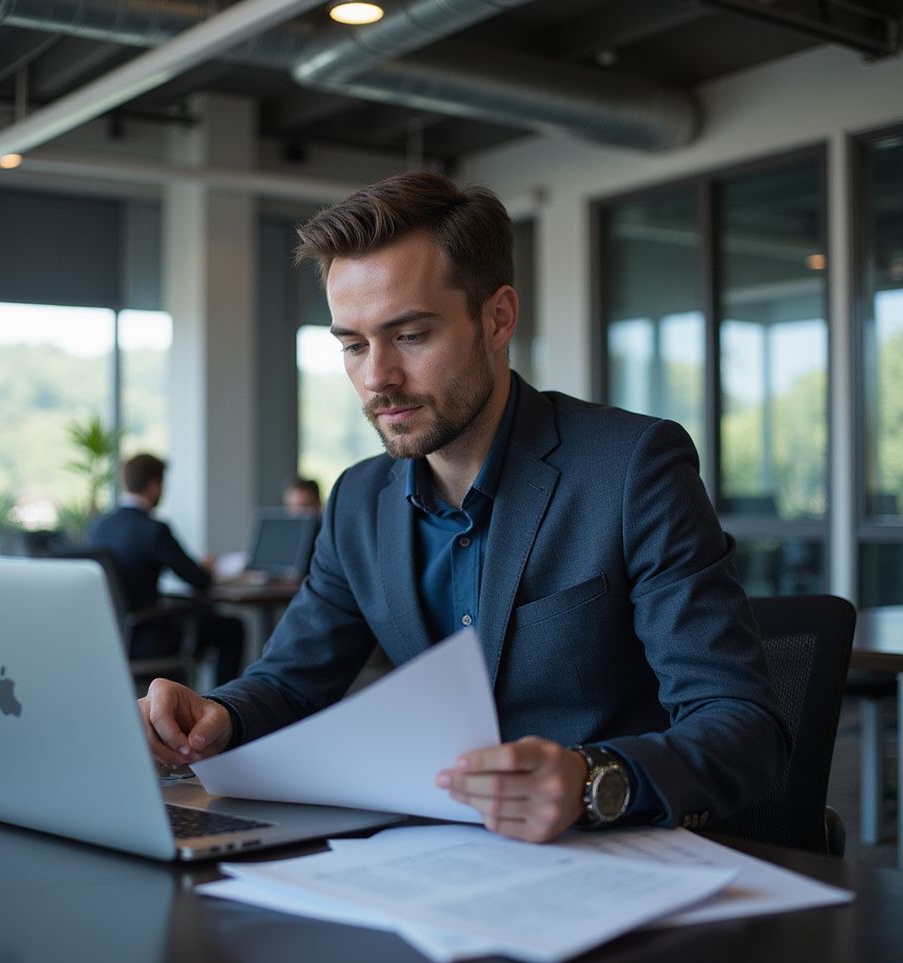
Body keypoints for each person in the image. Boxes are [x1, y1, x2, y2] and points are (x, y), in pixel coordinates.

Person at [139, 171, 789, 843]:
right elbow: (291, 682)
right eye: (353, 345)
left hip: (613, 856)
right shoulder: (359, 501)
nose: (377, 378)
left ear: (498, 318)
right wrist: (215, 715)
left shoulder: (631, 468)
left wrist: (592, 780)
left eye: (411, 336)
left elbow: (742, 727)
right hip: (435, 854)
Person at [90, 453, 244, 686]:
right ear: (154, 486)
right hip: (150, 637)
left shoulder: (100, 526)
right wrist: (205, 568)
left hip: (115, 635)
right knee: (233, 627)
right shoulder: (153, 529)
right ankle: (223, 704)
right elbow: (198, 579)